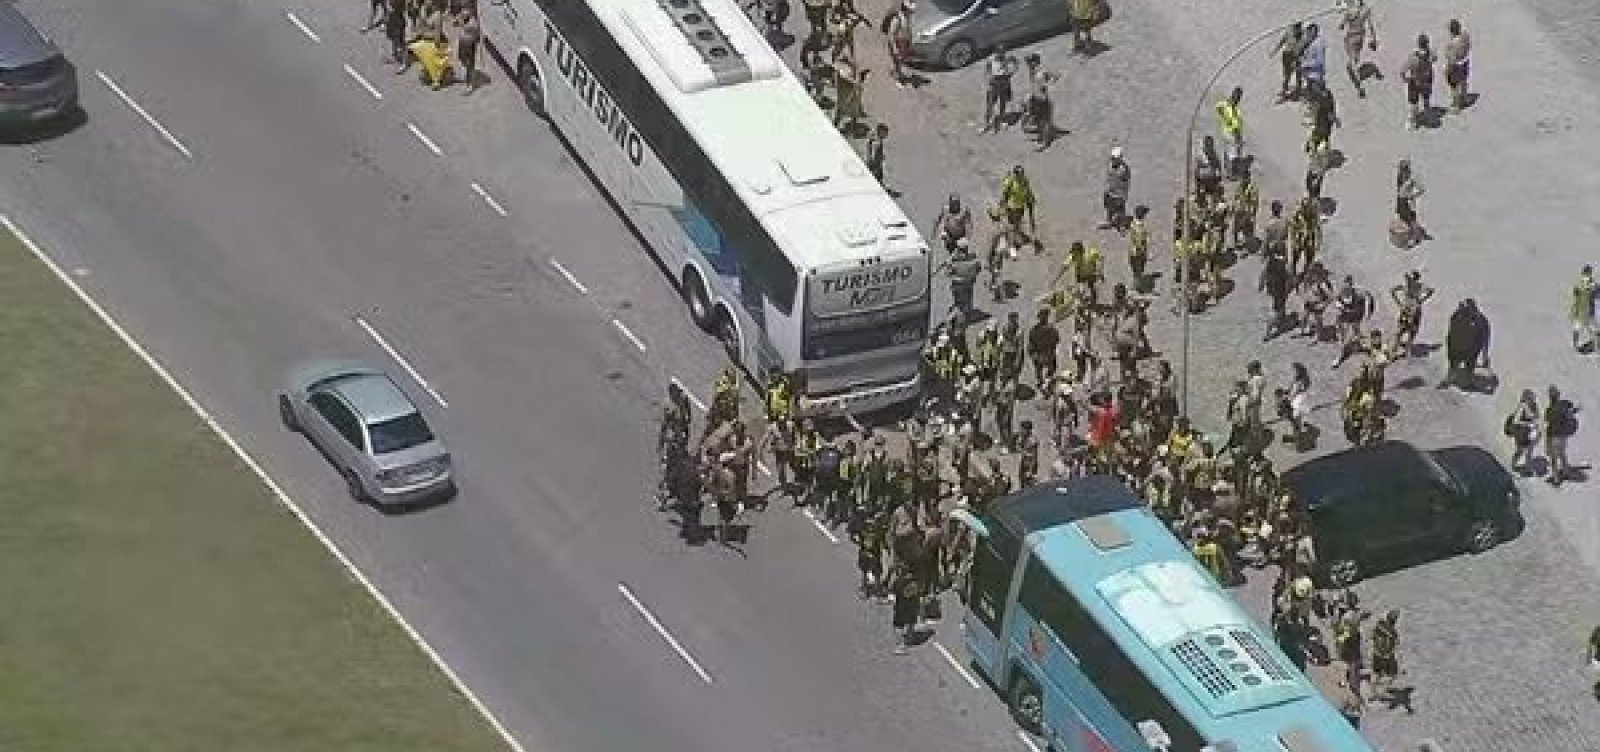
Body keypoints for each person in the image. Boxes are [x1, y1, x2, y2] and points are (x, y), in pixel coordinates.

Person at [657, 382, 694, 509]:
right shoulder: (670, 407)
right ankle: (666, 490)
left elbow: (688, 417)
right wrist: (662, 442)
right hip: (675, 439)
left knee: (676, 463)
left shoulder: (682, 400)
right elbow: (665, 426)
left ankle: (671, 486)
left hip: (680, 437)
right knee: (672, 464)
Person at [1444, 299, 1492, 388]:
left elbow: (1449, 336)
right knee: (1466, 356)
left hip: (1456, 351)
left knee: (1457, 357)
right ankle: (1464, 377)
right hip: (1466, 351)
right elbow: (1485, 338)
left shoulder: (1455, 316)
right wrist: (1485, 356)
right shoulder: (1480, 319)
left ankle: (1454, 373)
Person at [1390, 270, 1434, 357]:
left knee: (1412, 330)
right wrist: (1399, 303)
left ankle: (1406, 349)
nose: (1409, 280)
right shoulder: (1407, 286)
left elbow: (1431, 291)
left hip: (1413, 310)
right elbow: (1392, 291)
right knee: (1401, 329)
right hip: (1407, 310)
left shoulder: (1418, 287)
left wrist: (1421, 300)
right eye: (1409, 279)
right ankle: (1396, 347)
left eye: (1411, 279)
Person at [1338, 0, 1378, 98]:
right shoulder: (1366, 10)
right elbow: (1371, 26)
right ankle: (1355, 69)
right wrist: (1374, 38)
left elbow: (1341, 26)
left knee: (1352, 62)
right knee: (1355, 58)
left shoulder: (1350, 11)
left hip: (1351, 37)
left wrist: (1343, 16)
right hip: (1360, 36)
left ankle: (1359, 87)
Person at [1544, 386, 1580, 486]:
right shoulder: (1564, 405)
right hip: (1562, 436)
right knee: (1562, 454)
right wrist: (1575, 410)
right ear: (1558, 395)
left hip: (1552, 436)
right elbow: (1571, 411)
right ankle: (1566, 472)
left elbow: (1547, 420)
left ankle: (1556, 478)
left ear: (1550, 397)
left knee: (1553, 458)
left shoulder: (1549, 410)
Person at [1022, 53, 1059, 147]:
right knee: (1038, 120)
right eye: (1028, 63)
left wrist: (1047, 85)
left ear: (1035, 62)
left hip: (1042, 100)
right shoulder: (1032, 72)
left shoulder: (1041, 72)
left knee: (1044, 122)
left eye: (1030, 62)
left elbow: (1055, 76)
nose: (1028, 64)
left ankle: (1045, 142)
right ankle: (1042, 136)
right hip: (1035, 99)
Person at [980, 46, 1017, 133]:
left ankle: (1002, 120)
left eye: (1003, 53)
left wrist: (1011, 73)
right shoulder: (991, 60)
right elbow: (987, 71)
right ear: (996, 52)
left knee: (1003, 104)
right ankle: (986, 124)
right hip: (994, 85)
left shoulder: (1007, 59)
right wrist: (988, 81)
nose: (1001, 55)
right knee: (989, 106)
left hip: (1004, 83)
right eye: (999, 53)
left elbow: (1015, 63)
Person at [1402, 34, 1435, 130]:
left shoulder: (1413, 58)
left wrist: (1405, 79)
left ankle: (1412, 122)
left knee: (1413, 102)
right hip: (1427, 80)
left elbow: (1402, 70)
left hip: (1415, 82)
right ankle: (1427, 117)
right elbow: (1435, 58)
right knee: (1426, 99)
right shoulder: (1430, 55)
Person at [1505, 389, 1540, 475]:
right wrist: (1528, 423)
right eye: (1531, 398)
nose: (1533, 400)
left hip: (1528, 432)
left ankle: (1527, 468)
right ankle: (1514, 465)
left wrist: (1533, 422)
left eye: (1532, 398)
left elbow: (1536, 416)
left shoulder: (1533, 406)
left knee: (1528, 450)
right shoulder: (1521, 408)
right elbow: (1516, 422)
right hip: (1521, 433)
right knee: (1521, 450)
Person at [881, 1, 914, 87]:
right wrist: (895, 48)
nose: (912, 12)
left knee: (900, 61)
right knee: (898, 62)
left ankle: (896, 73)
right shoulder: (897, 20)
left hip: (903, 43)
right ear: (906, 9)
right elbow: (891, 35)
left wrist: (909, 43)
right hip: (898, 44)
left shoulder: (906, 17)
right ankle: (899, 80)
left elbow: (907, 30)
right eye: (911, 10)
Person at [1271, 23, 1306, 101]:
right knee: (1287, 74)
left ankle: (1298, 90)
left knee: (1298, 74)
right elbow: (1282, 41)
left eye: (1298, 28)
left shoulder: (1303, 35)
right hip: (1287, 55)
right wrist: (1275, 50)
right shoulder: (1289, 32)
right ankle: (1285, 90)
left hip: (1297, 55)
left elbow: (1304, 47)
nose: (1297, 30)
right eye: (1296, 28)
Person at [1444, 19, 1472, 112]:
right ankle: (1464, 98)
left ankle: (1455, 106)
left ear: (1451, 31)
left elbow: (1452, 60)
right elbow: (1469, 46)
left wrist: (1447, 70)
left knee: (1454, 86)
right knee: (1464, 81)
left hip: (1456, 66)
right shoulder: (1466, 35)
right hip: (1465, 61)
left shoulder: (1451, 45)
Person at [1216, 87, 1245, 175]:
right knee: (1234, 154)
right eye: (1238, 97)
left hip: (1226, 131)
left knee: (1227, 151)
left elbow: (1218, 108)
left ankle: (1227, 168)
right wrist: (1239, 140)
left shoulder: (1224, 105)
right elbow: (1236, 128)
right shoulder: (1234, 112)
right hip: (1232, 134)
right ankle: (1232, 173)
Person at [1103, 146, 1131, 230]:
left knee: (1120, 210)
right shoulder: (1110, 165)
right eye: (1112, 158)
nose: (1113, 160)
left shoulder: (1124, 169)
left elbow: (1125, 180)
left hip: (1120, 194)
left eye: (1115, 158)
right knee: (1109, 208)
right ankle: (1109, 222)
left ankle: (1122, 226)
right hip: (1110, 191)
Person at [455, 4, 481, 94]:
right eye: (463, 10)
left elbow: (476, 33)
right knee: (461, 58)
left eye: (466, 10)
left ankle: (470, 85)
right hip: (462, 43)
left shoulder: (473, 22)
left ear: (471, 12)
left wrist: (461, 22)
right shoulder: (462, 18)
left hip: (469, 45)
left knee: (469, 64)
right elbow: (456, 22)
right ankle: (468, 72)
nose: (464, 12)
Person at [1573, 265, 1596, 353]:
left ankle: (1594, 343)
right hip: (1582, 310)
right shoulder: (1580, 284)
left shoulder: (1592, 284)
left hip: (1589, 310)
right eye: (1586, 273)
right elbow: (1577, 295)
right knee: (1578, 326)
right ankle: (1576, 343)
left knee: (1592, 327)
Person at [1127, 204, 1151, 289]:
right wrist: (1144, 252)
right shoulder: (1140, 227)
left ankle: (1136, 284)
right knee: (1139, 270)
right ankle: (1137, 286)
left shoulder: (1133, 223)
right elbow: (1139, 242)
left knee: (1135, 270)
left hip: (1132, 251)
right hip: (1138, 253)